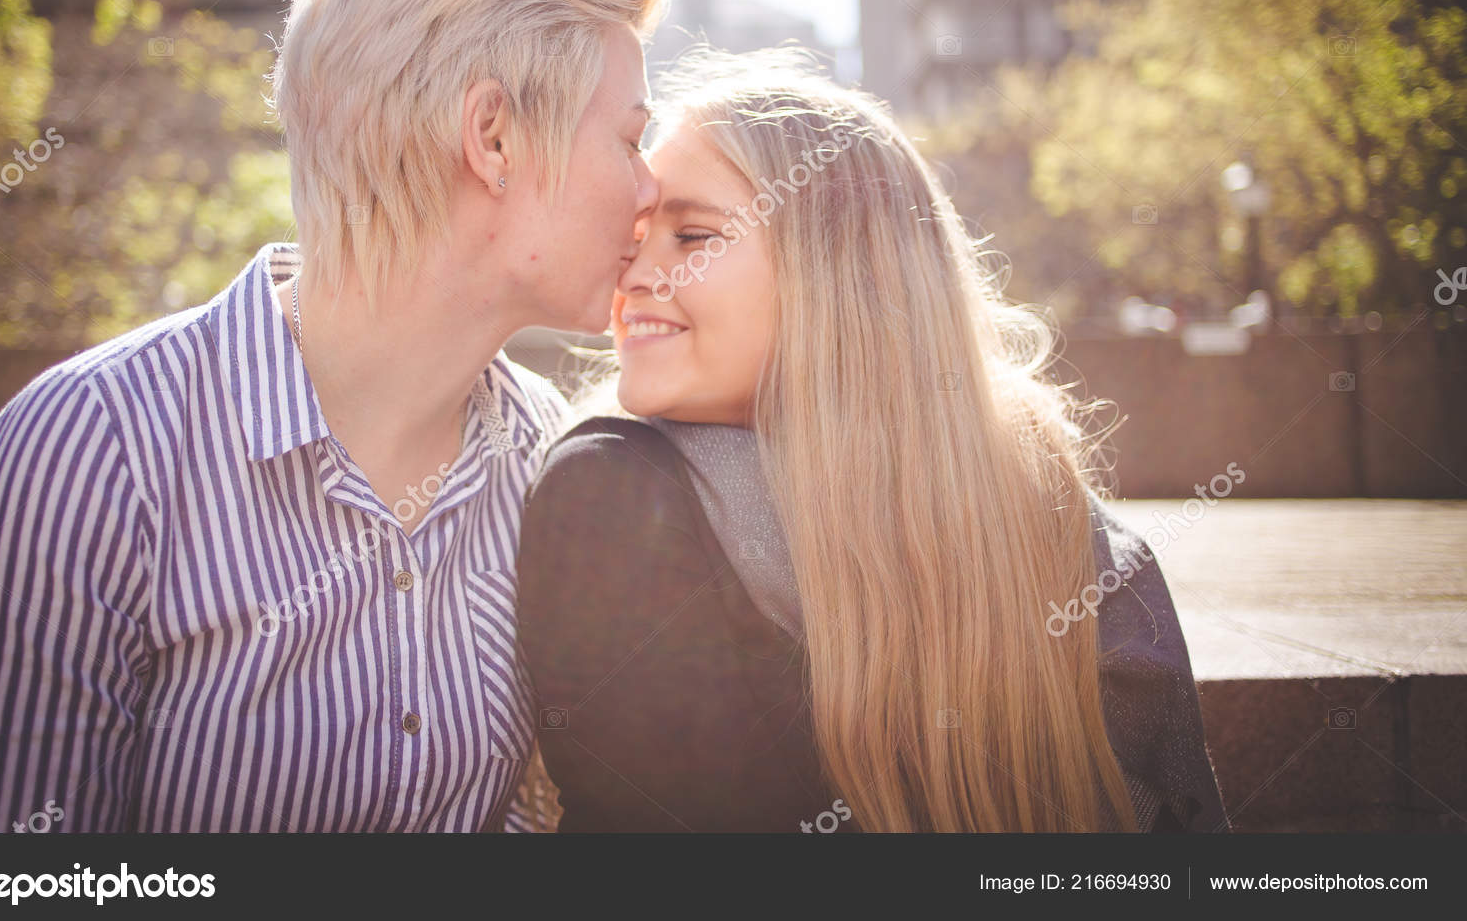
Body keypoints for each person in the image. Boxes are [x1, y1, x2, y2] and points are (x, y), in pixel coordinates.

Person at [0, 0, 661, 832]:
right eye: (631, 139)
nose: (650, 193)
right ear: (494, 137)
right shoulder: (95, 445)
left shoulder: (550, 459)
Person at [516, 48, 1229, 833]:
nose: (634, 273)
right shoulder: (1071, 535)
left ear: (837, 274)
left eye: (692, 237)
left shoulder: (611, 494)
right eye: (637, 235)